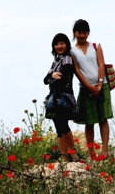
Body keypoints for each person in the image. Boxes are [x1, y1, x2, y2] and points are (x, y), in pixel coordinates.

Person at [71, 19, 113, 158]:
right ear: (75, 33)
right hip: (85, 88)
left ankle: (105, 150)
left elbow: (101, 65)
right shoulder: (72, 51)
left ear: (88, 33)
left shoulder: (96, 46)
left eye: (84, 32)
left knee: (103, 118)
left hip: (102, 85)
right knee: (89, 121)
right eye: (79, 32)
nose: (82, 35)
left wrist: (100, 84)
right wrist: (89, 87)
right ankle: (91, 153)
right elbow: (76, 70)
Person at [43, 33, 79, 162]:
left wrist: (57, 94)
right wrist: (52, 75)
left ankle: (73, 154)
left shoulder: (68, 59)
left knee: (63, 125)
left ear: (67, 45)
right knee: (58, 126)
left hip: (63, 95)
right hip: (54, 95)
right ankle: (63, 156)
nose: (59, 46)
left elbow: (66, 78)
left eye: (62, 43)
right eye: (56, 44)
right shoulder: (56, 60)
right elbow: (45, 80)